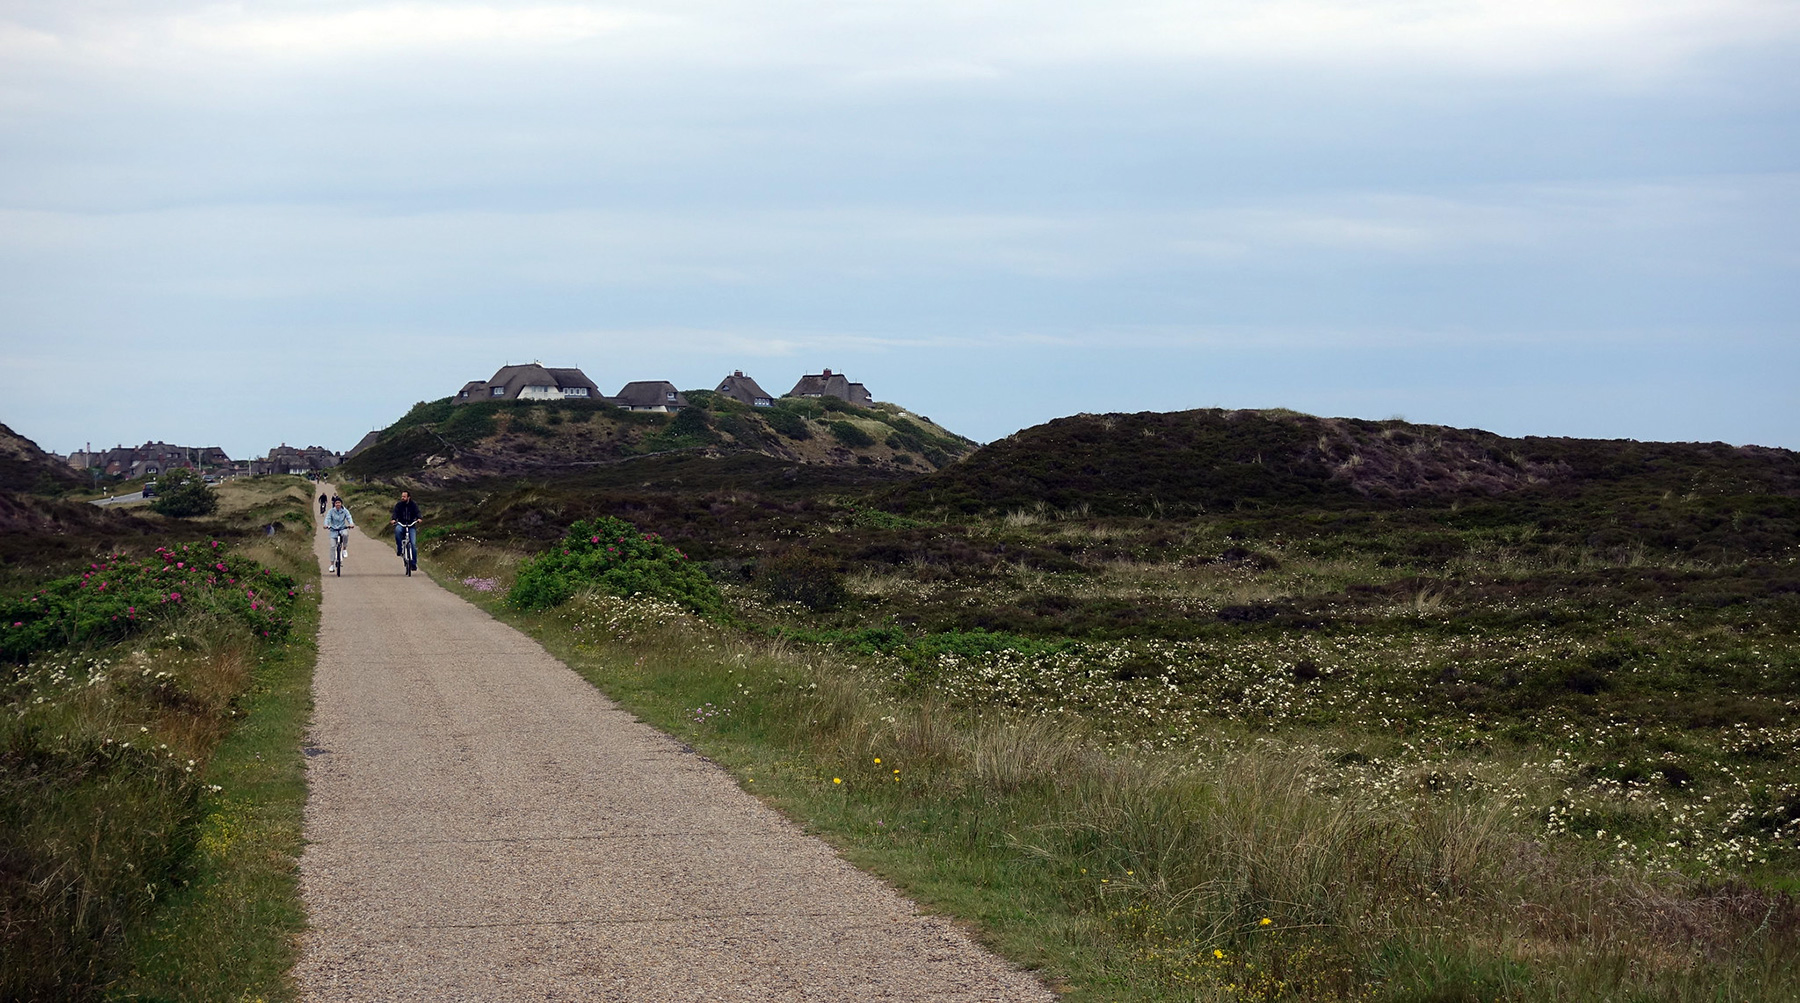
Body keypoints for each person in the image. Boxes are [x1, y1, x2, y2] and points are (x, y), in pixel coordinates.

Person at [390, 490, 422, 572]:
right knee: (397, 530)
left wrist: (419, 518)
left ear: (408, 497)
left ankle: (413, 564)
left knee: (413, 545)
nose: (402, 498)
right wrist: (393, 519)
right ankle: (400, 548)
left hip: (411, 525)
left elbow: (417, 512)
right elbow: (395, 513)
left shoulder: (413, 505)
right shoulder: (399, 505)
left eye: (404, 496)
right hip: (401, 523)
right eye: (402, 496)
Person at [324, 497, 355, 573]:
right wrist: (326, 525)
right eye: (336, 503)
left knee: (345, 534)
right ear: (334, 504)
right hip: (333, 530)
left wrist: (351, 523)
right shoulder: (331, 511)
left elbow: (349, 517)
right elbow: (327, 518)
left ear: (341, 504)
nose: (338, 504)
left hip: (342, 528)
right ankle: (332, 565)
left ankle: (344, 549)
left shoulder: (345, 511)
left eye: (339, 503)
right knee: (332, 547)